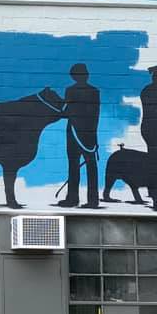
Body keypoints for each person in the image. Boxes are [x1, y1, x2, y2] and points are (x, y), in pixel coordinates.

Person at [57, 63, 100, 209]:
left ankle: (73, 199)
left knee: (74, 166)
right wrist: (94, 137)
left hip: (75, 133)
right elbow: (95, 116)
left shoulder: (70, 91)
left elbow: (65, 111)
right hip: (88, 134)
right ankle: (93, 200)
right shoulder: (95, 91)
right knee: (90, 167)